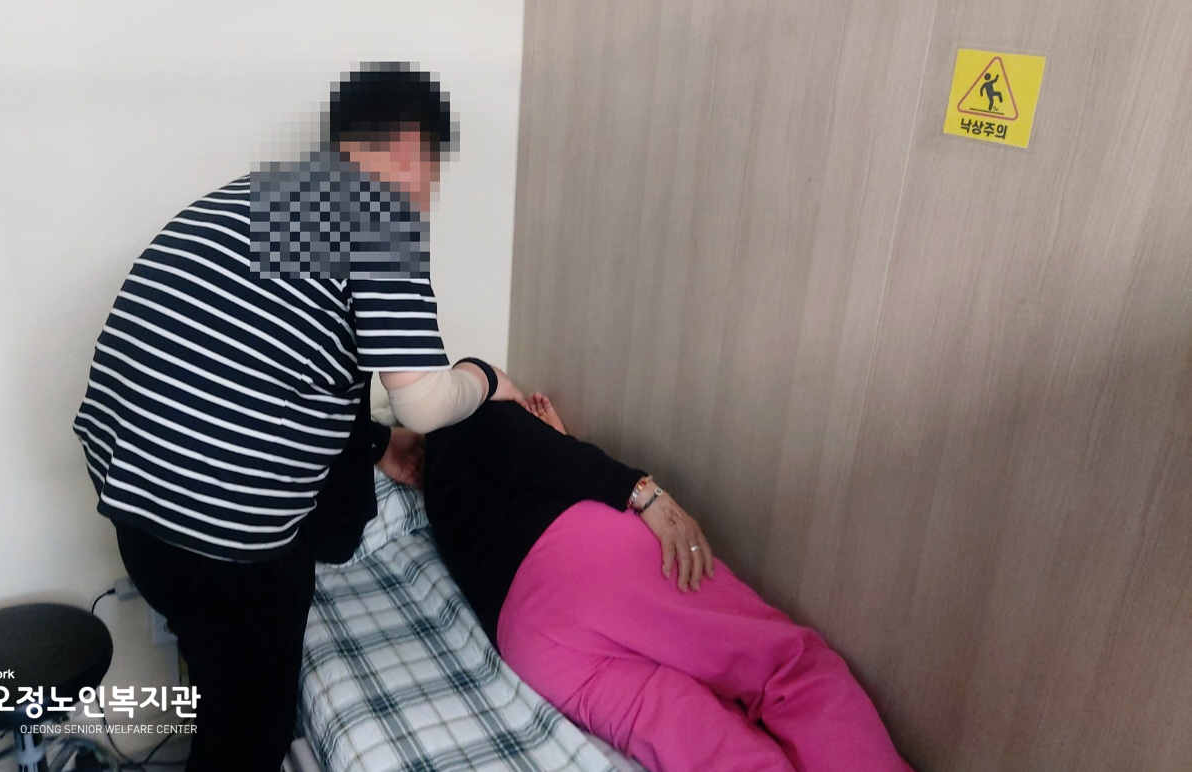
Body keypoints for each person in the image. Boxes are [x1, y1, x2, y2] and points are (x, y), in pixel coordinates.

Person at [72, 62, 524, 771]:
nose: (429, 196)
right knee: (250, 726)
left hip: (130, 498)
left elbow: (262, 369)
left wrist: (376, 442)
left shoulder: (249, 197)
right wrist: (489, 379)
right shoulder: (379, 214)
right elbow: (427, 401)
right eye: (434, 171)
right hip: (218, 536)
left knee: (222, 690)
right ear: (411, 149)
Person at [419, 395, 915, 772]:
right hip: (580, 559)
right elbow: (529, 451)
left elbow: (521, 465)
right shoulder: (466, 407)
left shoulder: (437, 489)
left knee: (694, 733)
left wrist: (554, 442)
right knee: (785, 666)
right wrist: (642, 492)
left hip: (532, 646)